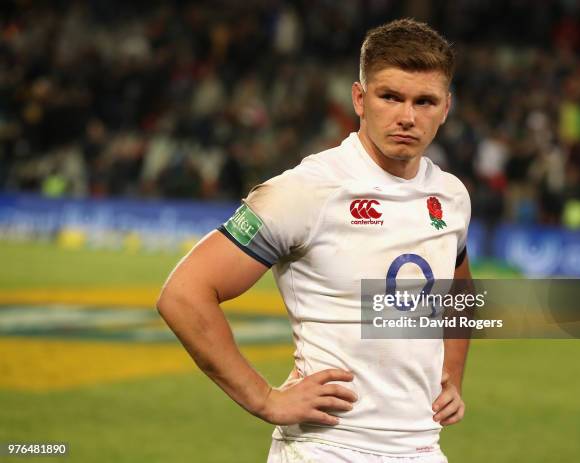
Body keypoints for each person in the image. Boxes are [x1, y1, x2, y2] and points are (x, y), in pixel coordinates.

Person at [157, 18, 471, 463]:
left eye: (425, 101)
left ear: (446, 107)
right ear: (359, 99)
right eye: (390, 97)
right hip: (326, 447)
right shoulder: (307, 191)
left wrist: (451, 375)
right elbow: (183, 295)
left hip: (420, 448)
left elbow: (459, 289)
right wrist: (265, 399)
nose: (407, 116)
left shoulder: (451, 196)